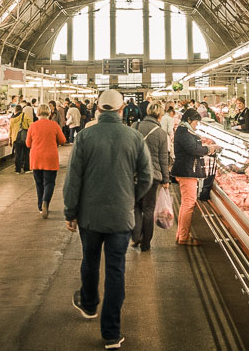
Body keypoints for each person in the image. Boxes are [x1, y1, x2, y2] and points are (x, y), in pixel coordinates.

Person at [62, 90, 152, 350]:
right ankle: (111, 333)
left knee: (90, 261)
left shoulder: (85, 137)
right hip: (121, 218)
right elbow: (146, 177)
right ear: (122, 108)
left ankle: (89, 305)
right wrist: (129, 197)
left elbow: (73, 179)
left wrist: (71, 212)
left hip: (90, 217)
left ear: (98, 110)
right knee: (116, 271)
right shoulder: (134, 137)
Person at [173, 108, 218, 247]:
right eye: (196, 122)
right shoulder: (183, 132)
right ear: (188, 120)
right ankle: (184, 237)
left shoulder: (184, 131)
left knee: (185, 204)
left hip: (187, 170)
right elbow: (194, 150)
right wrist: (209, 149)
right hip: (187, 172)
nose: (197, 125)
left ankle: (181, 234)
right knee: (189, 204)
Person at [132, 102, 172, 252]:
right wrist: (166, 180)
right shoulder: (161, 133)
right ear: (160, 116)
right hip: (153, 176)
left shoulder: (135, 127)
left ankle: (136, 235)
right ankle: (146, 244)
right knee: (148, 209)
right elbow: (164, 159)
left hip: (135, 174)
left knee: (135, 205)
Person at [27, 104, 67, 218]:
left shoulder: (33, 126)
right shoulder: (54, 125)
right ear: (49, 113)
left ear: (37, 113)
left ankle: (40, 207)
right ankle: (45, 202)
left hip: (36, 158)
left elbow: (28, 143)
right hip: (50, 158)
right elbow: (63, 140)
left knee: (39, 183)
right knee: (49, 183)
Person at [9, 106, 32, 174]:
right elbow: (31, 125)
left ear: (15, 110)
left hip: (16, 138)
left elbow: (10, 129)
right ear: (21, 110)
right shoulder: (25, 115)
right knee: (26, 153)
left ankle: (17, 170)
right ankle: (26, 169)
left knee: (18, 154)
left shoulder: (12, 118)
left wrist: (10, 139)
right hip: (25, 137)